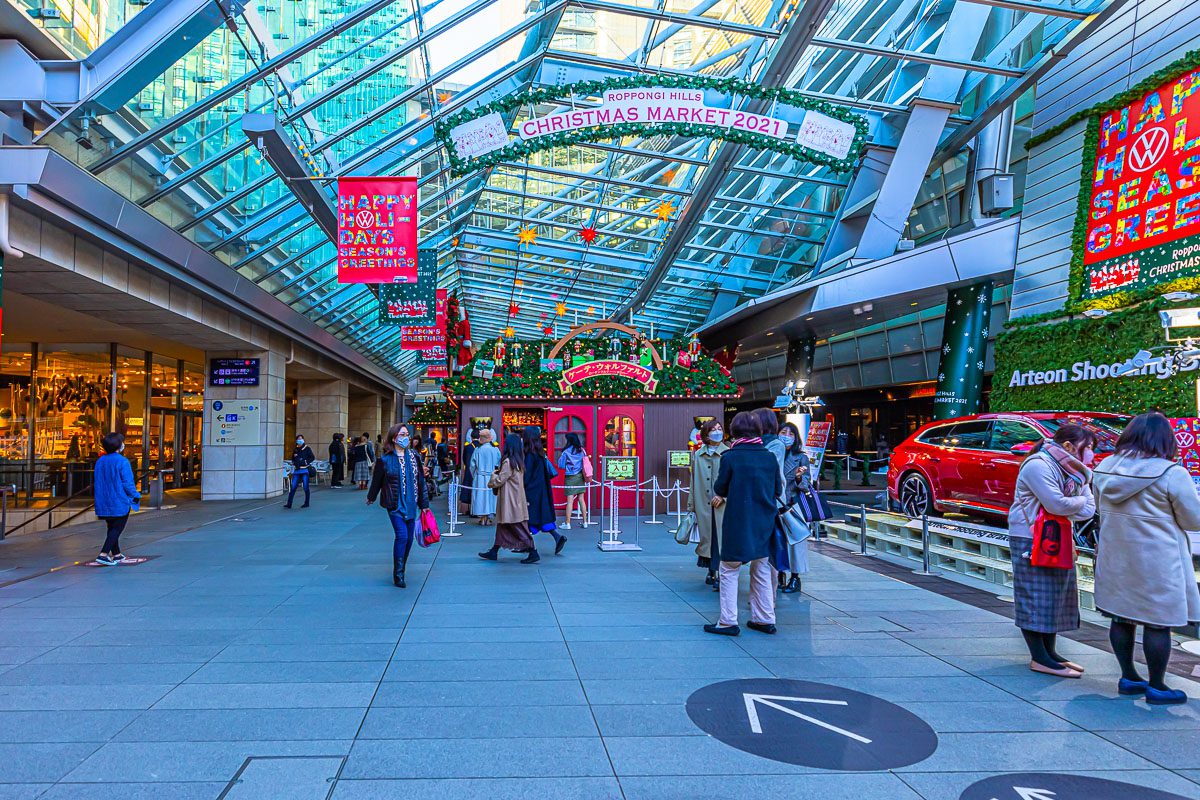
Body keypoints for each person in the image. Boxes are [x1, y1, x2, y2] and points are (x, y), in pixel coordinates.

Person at [1092, 412, 1200, 705]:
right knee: (1157, 623)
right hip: (1158, 560)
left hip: (1116, 554)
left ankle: (1128, 676)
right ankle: (1157, 685)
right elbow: (1194, 520)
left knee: (1120, 615)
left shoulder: (1104, 468)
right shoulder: (1170, 472)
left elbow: (1097, 507)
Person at [1007, 424, 1097, 678]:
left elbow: (1088, 510)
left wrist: (1072, 504)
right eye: (1087, 447)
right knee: (1035, 596)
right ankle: (1039, 657)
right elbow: (1056, 504)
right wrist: (1076, 503)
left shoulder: (1077, 471)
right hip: (1030, 536)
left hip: (1058, 535)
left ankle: (1050, 653)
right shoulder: (1039, 465)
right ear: (1068, 446)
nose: (1090, 453)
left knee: (1055, 595)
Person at [705, 411, 781, 636]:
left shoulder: (730, 456)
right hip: (764, 521)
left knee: (729, 569)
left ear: (735, 430)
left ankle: (728, 621)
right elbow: (778, 489)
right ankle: (765, 618)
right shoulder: (769, 456)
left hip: (738, 520)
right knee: (761, 569)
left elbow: (720, 488)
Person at [367, 422, 429, 588]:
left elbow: (420, 481)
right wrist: (371, 497)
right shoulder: (385, 460)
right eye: (402, 435)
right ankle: (398, 573)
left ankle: (402, 565)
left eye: (406, 435)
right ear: (394, 438)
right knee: (401, 536)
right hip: (394, 503)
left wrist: (424, 504)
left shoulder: (415, 456)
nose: (406, 437)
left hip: (412, 503)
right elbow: (377, 481)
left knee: (409, 539)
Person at [480, 433, 538, 563]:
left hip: (510, 501)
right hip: (516, 499)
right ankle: (494, 551)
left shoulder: (508, 462)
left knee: (517, 525)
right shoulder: (518, 461)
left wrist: (493, 476)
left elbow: (500, 480)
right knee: (502, 526)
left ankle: (533, 551)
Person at [754, 408, 790, 589]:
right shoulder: (757, 443)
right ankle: (762, 593)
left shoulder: (776, 444)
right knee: (762, 550)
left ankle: (770, 594)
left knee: (771, 548)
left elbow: (769, 469)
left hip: (772, 500)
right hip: (759, 499)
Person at [688, 419, 727, 587]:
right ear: (706, 434)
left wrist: (724, 497)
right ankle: (711, 570)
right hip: (703, 503)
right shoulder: (698, 454)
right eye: (713, 429)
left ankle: (719, 573)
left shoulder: (728, 453)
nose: (717, 432)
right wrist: (691, 505)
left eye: (719, 429)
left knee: (721, 538)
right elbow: (693, 480)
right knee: (707, 538)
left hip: (722, 505)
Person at [92, 432, 141, 565]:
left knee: (111, 526)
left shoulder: (100, 461)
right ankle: (103, 553)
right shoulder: (122, 461)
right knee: (117, 528)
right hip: (119, 500)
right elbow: (127, 483)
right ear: (119, 446)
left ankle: (117, 554)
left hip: (103, 500)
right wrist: (136, 495)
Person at [779, 420, 811, 595]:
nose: (786, 437)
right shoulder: (773, 454)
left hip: (793, 506)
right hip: (775, 505)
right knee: (778, 542)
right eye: (783, 433)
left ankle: (795, 577)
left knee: (796, 545)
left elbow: (807, 485)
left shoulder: (801, 457)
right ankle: (779, 574)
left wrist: (799, 477)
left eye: (791, 434)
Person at [523, 426, 566, 555]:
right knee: (541, 517)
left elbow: (527, 475)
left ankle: (529, 547)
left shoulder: (529, 454)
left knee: (528, 518)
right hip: (542, 489)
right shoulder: (540, 452)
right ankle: (556, 537)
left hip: (531, 491)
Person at [557, 432, 591, 530]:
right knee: (581, 499)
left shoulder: (566, 452)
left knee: (570, 501)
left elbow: (561, 465)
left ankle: (567, 523)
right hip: (580, 476)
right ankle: (585, 522)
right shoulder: (582, 450)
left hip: (570, 477)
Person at [470, 429, 500, 524]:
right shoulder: (495, 450)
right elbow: (499, 464)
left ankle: (482, 518)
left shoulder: (477, 450)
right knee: (490, 497)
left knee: (480, 497)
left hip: (480, 476)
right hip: (492, 476)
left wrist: (475, 474)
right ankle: (489, 517)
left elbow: (472, 465)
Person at [285, 434, 316, 509]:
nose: (300, 440)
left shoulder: (307, 448)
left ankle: (306, 503)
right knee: (293, 487)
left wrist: (305, 462)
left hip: (305, 470)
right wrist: (294, 462)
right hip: (297, 470)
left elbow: (312, 457)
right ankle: (289, 504)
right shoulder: (295, 449)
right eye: (298, 439)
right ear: (296, 441)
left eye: (301, 439)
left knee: (306, 487)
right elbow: (293, 458)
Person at [460, 428, 480, 516]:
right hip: (478, 470)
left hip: (468, 471)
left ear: (471, 437)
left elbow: (464, 459)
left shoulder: (468, 447)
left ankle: (469, 508)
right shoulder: (481, 446)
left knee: (468, 488)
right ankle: (477, 509)